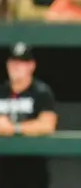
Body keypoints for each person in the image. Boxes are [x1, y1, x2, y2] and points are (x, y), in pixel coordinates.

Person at [0, 42, 57, 188]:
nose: (16, 67)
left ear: (31, 65)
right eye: (13, 62)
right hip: (4, 168)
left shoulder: (41, 92)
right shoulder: (2, 91)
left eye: (22, 62)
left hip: (32, 169)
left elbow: (47, 125)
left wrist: (14, 128)